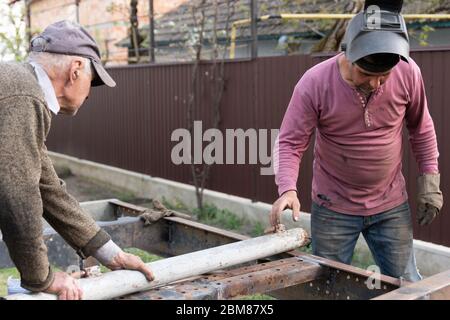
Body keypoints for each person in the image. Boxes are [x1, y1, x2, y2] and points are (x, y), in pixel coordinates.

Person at [270, 3, 443, 282]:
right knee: (328, 287)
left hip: (390, 204)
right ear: (348, 54)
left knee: (408, 285)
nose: (376, 84)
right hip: (333, 206)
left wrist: (430, 182)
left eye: (383, 76)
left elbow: (421, 129)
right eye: (366, 74)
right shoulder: (314, 83)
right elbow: (290, 141)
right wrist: (287, 188)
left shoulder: (408, 73)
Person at [0, 20, 154, 300]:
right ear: (75, 70)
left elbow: (48, 188)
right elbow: (18, 195)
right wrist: (41, 278)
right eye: (92, 82)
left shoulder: (18, 87)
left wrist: (111, 254)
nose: (90, 92)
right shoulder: (24, 96)